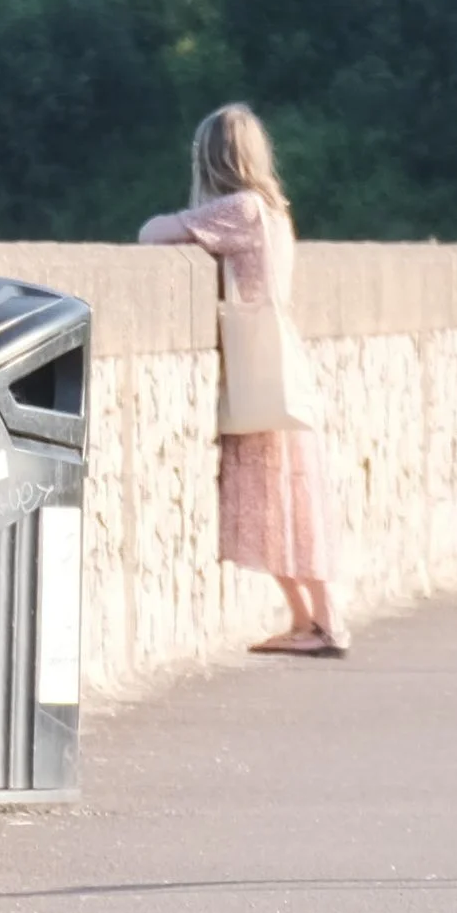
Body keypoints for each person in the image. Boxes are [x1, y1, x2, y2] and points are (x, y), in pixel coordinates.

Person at [138, 104, 347, 657]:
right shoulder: (272, 210)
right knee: (289, 501)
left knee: (275, 501)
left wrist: (190, 215)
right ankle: (312, 621)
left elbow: (153, 233)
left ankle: (323, 623)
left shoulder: (240, 209)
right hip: (280, 368)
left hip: (259, 375)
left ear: (211, 158)